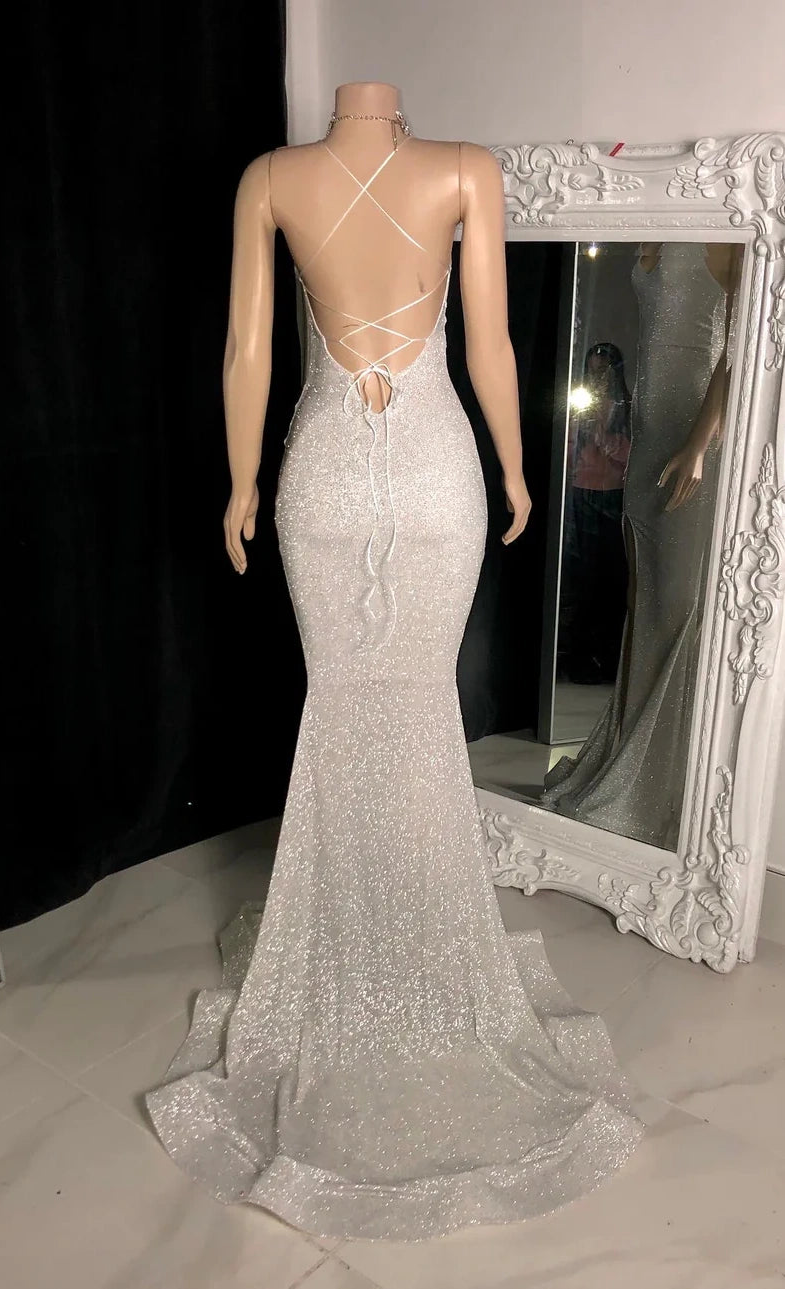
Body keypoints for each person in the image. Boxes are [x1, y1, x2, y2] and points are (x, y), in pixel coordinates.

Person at [144, 82, 645, 1242]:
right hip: (432, 472)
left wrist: (241, 483)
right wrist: (515, 469)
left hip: (321, 470)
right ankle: (403, 948)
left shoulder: (272, 178)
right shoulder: (463, 166)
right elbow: (491, 344)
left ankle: (372, 941)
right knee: (412, 709)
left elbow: (246, 347)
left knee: (348, 709)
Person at [543, 241, 742, 850]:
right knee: (645, 608)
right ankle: (623, 761)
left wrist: (700, 445)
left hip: (691, 443)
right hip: (648, 443)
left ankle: (664, 787)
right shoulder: (652, 229)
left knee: (679, 608)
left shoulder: (726, 232)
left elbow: (740, 349)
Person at [559, 341, 632, 684]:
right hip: (582, 494)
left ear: (615, 372)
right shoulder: (580, 404)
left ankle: (609, 656)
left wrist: (608, 440)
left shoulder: (626, 408)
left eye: (604, 369)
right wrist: (577, 429)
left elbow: (634, 457)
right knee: (582, 577)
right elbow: (566, 454)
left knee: (613, 577)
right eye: (593, 369)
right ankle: (578, 657)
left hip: (614, 497)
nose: (599, 376)